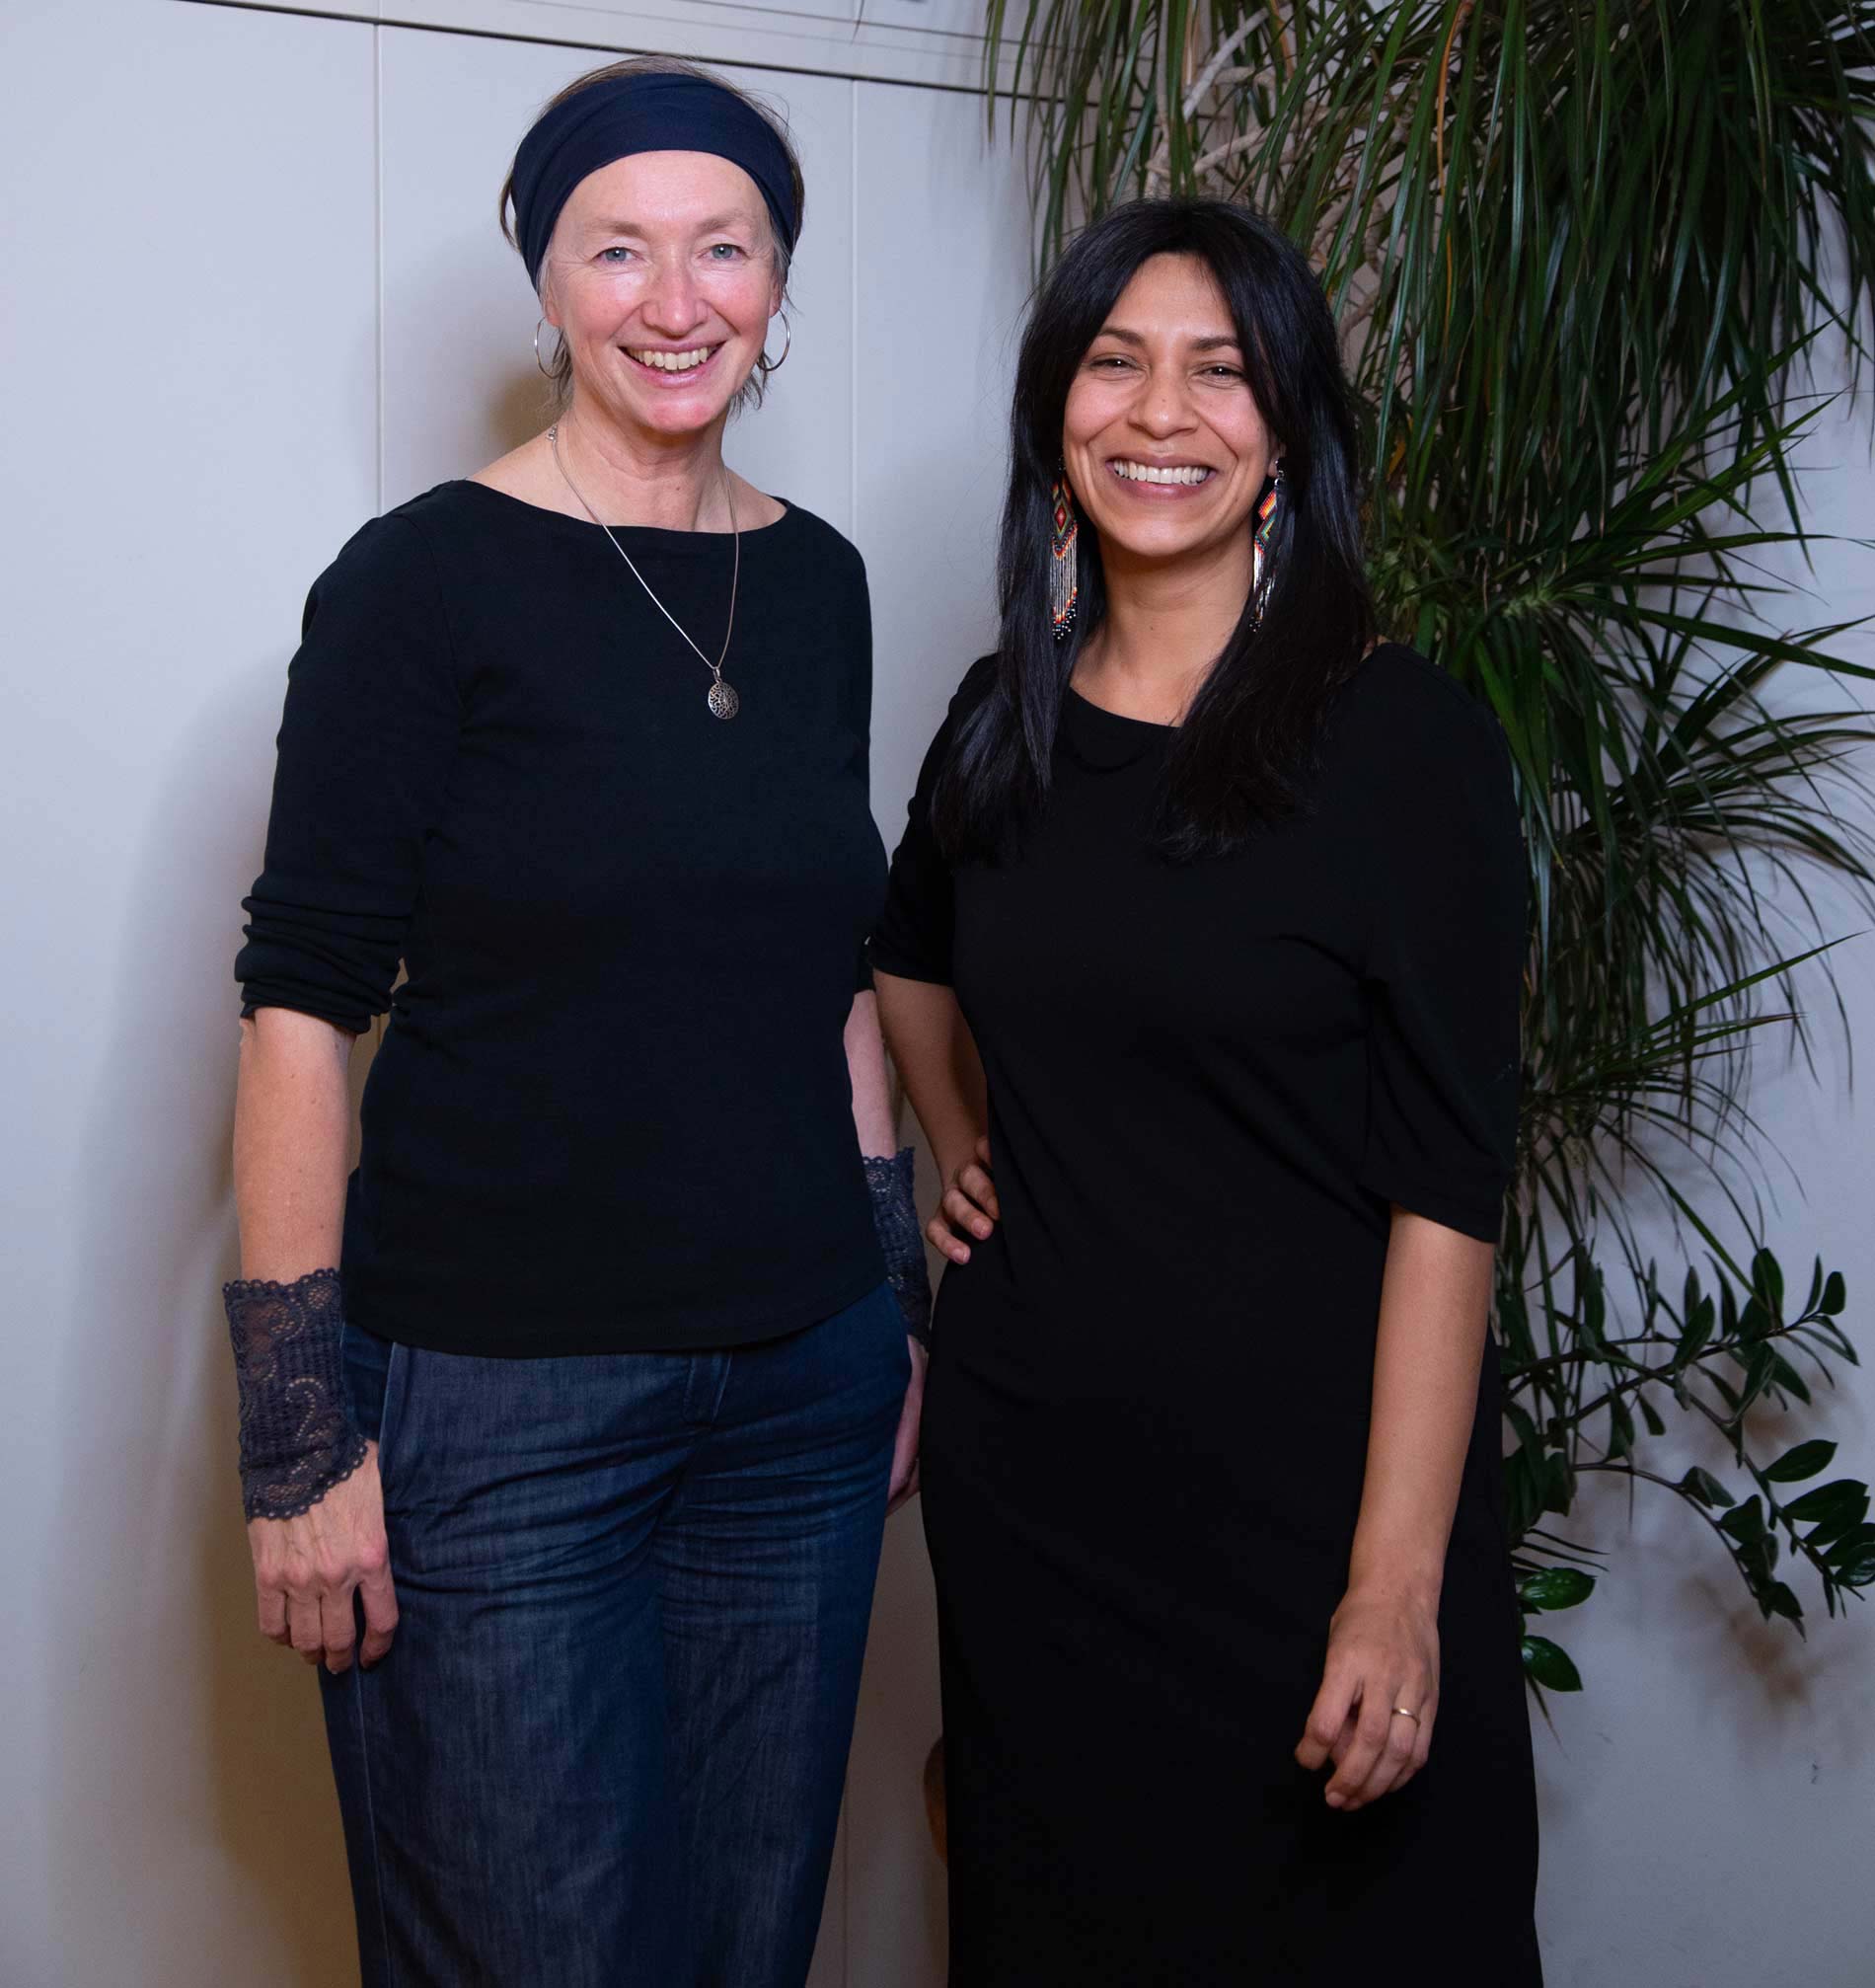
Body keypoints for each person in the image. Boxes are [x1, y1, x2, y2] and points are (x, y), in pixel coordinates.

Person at [224, 55, 930, 1988]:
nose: (675, 295)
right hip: (502, 1405)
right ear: (544, 276)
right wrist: (296, 1428)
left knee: (736, 1946)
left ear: (778, 283)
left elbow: (830, 972)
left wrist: (893, 1302)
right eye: (619, 246)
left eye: (726, 246)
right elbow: (299, 1006)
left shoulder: (819, 587)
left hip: (802, 1393)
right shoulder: (418, 584)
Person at [871, 198, 1541, 1985]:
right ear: (1055, 413)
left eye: (1220, 371)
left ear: (1287, 444)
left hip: (1319, 1515)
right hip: (1040, 1512)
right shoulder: (996, 724)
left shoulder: (1404, 744)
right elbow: (905, 953)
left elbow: (1451, 1182)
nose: (1160, 414)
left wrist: (1397, 1583)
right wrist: (961, 1141)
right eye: (1115, 362)